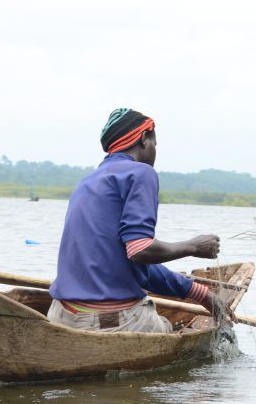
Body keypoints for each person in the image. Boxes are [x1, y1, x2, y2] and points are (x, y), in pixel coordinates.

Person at [48, 108, 234, 333]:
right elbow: (140, 250)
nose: (155, 151)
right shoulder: (141, 173)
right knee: (168, 328)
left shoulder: (88, 182)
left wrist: (201, 294)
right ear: (144, 139)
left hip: (60, 315)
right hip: (112, 322)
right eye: (155, 143)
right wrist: (193, 246)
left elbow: (132, 261)